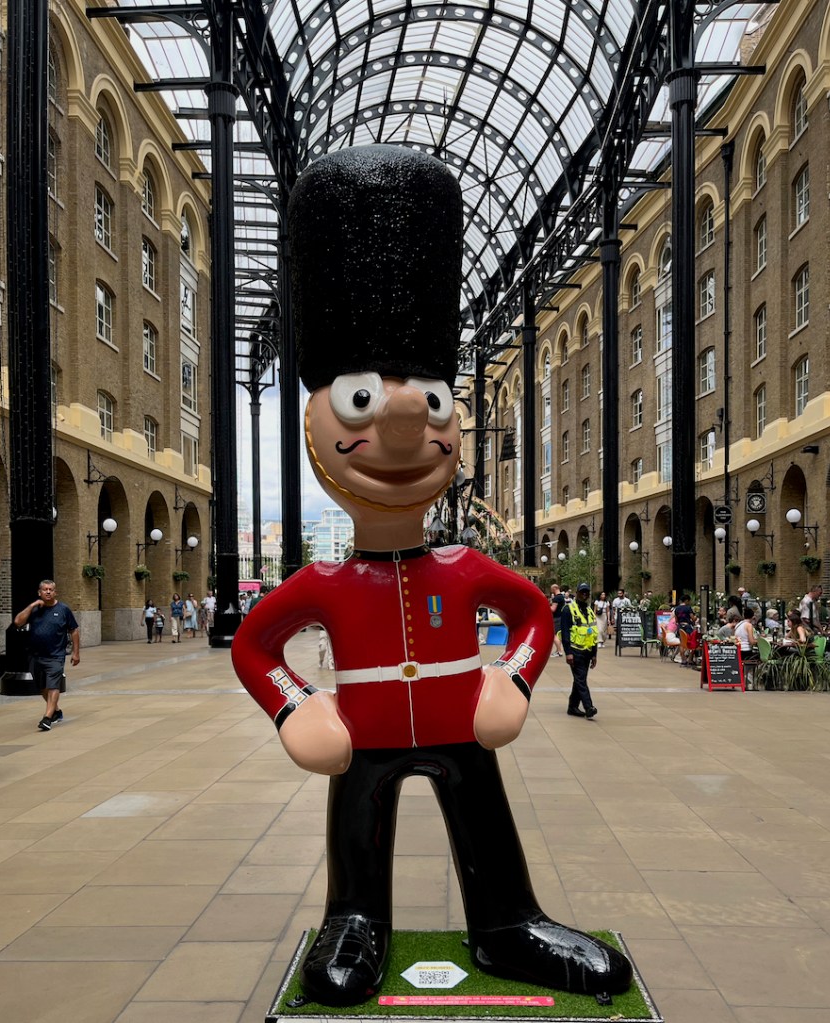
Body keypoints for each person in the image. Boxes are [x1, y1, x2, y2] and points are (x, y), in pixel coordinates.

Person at [231, 146, 630, 1006]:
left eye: (428, 402)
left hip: (459, 727)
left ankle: (505, 920)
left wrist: (512, 678)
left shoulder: (467, 563)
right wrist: (296, 706)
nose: (410, 422)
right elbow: (253, 641)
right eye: (365, 401)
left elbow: (533, 614)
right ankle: (353, 918)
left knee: (484, 818)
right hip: (364, 736)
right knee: (357, 826)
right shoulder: (325, 583)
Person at [13, 580, 80, 731]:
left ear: (55, 592)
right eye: (45, 589)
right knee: (42, 687)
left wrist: (76, 653)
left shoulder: (63, 610)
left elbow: (74, 630)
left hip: (56, 655)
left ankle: (47, 718)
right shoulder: (35, 610)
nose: (48, 592)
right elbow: (17, 622)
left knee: (53, 685)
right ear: (39, 592)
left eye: (51, 589)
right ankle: (56, 711)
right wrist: (32, 606)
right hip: (35, 655)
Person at [561, 583, 599, 719]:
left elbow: (593, 633)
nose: (585, 594)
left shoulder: (589, 611)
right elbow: (565, 633)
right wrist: (568, 652)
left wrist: (594, 654)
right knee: (581, 679)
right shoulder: (568, 610)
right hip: (575, 651)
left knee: (579, 679)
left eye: (587, 592)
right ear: (576, 593)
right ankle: (589, 707)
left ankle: (572, 707)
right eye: (582, 592)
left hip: (587, 651)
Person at [548, 584, 564, 656]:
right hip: (560, 617)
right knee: (558, 635)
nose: (551, 591)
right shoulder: (561, 597)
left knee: (554, 635)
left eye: (551, 589)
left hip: (556, 618)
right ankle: (558, 650)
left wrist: (547, 605)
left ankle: (559, 651)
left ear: (554, 588)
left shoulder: (556, 598)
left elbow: (553, 609)